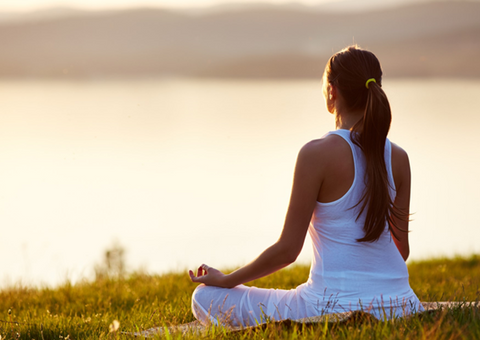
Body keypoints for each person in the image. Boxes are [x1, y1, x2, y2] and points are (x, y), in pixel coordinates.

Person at [188, 45, 423, 327]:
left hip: (327, 306)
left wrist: (226, 280)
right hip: (403, 304)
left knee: (204, 297)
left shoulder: (316, 154)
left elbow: (288, 250)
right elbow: (402, 251)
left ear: (332, 92)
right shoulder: (398, 157)